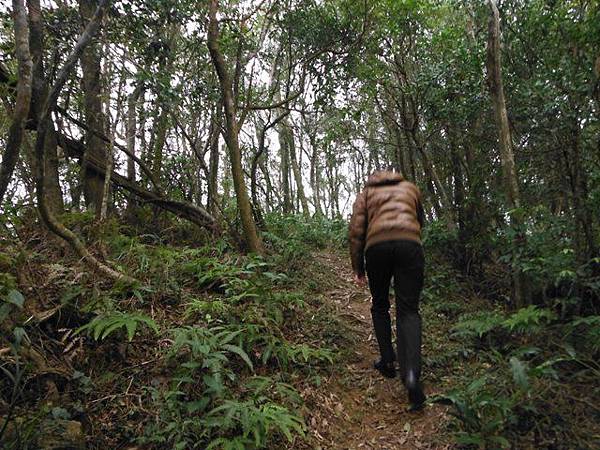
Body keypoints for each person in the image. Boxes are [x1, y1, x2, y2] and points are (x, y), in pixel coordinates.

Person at [348, 169, 426, 411]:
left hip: (377, 249)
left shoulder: (367, 193)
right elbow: (420, 221)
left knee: (380, 304)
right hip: (409, 246)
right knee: (409, 311)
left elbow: (356, 232)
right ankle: (412, 376)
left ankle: (388, 361)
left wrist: (358, 267)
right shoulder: (410, 188)